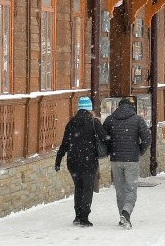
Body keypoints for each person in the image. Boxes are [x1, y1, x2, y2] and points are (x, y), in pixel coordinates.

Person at [54, 96, 106, 227]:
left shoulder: (71, 123)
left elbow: (64, 144)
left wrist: (58, 160)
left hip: (73, 161)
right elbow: (105, 138)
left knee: (79, 188)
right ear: (90, 109)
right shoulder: (94, 122)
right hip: (89, 161)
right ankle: (84, 217)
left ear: (78, 109)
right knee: (88, 189)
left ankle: (77, 216)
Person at [102, 96, 150, 229]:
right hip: (132, 160)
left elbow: (104, 138)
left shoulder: (110, 119)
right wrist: (139, 150)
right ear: (131, 107)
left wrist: (110, 149)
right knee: (131, 189)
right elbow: (147, 138)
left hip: (116, 159)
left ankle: (122, 216)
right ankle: (126, 212)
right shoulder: (137, 119)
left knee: (120, 189)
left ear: (119, 106)